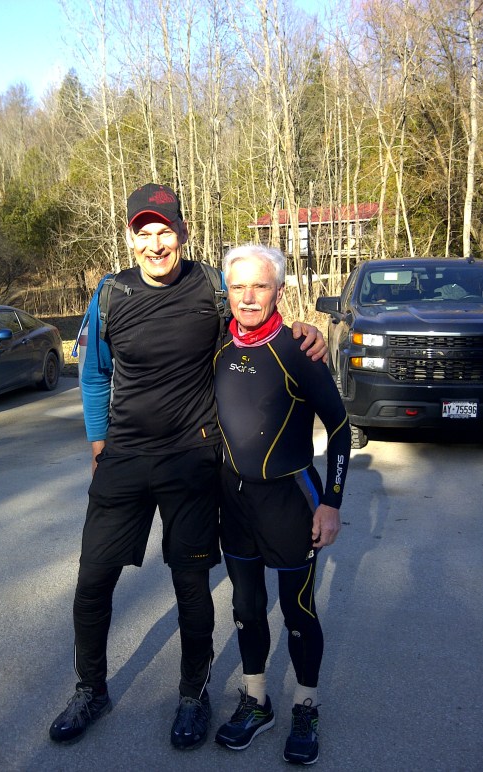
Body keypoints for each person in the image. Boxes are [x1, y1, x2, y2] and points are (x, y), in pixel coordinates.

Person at [49, 184, 327, 750]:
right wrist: (99, 444)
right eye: (144, 234)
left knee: (191, 586)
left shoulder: (210, 287)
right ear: (132, 238)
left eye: (165, 232)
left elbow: (256, 314)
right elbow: (94, 373)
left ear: (182, 233)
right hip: (125, 460)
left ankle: (193, 696)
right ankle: (90, 689)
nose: (155, 244)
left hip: (192, 460)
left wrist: (304, 329)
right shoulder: (110, 294)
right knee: (93, 581)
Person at [213, 243, 350, 764]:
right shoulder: (217, 345)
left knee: (297, 611)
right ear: (227, 290)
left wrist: (331, 502)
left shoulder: (298, 349)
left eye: (260, 286)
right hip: (234, 500)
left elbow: (340, 428)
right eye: (238, 286)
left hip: (291, 500)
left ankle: (306, 706)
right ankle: (256, 702)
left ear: (279, 290)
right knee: (246, 609)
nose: (248, 297)